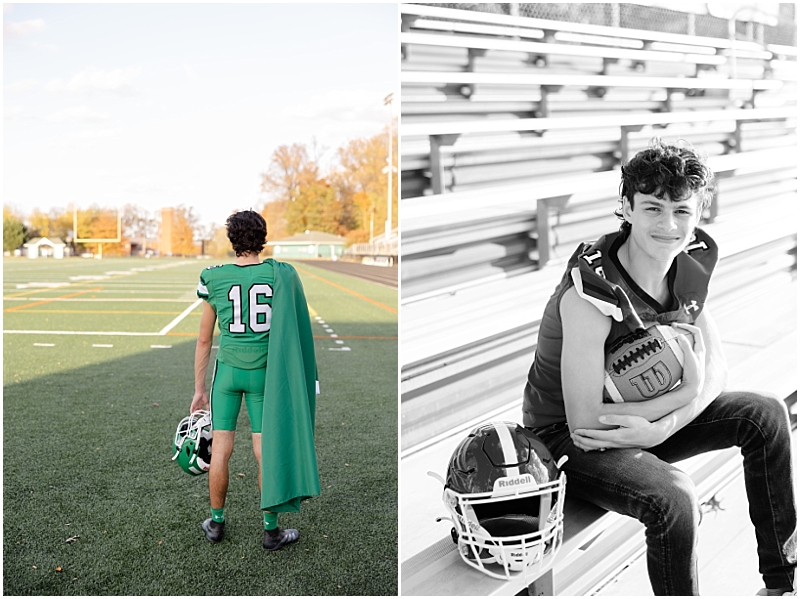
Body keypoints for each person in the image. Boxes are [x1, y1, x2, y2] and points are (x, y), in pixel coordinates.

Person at [521, 140, 796, 595]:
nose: (668, 225)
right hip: (566, 440)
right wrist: (681, 399)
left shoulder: (685, 264)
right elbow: (586, 420)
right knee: (675, 496)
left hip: (644, 419)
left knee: (765, 414)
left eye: (682, 212)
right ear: (625, 208)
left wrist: (666, 424)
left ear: (699, 214)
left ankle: (780, 584)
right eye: (652, 208)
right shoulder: (591, 293)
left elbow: (717, 368)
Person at [190, 209, 320, 551]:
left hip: (228, 374)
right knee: (266, 452)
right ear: (262, 239)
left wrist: (199, 388)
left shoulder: (214, 276)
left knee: (220, 449)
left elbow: (204, 340)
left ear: (232, 240)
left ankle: (216, 523)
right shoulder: (279, 275)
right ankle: (270, 530)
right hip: (266, 374)